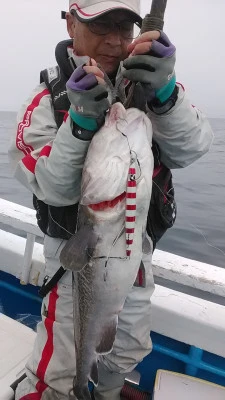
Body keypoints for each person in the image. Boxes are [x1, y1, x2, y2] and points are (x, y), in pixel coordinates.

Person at [8, 0, 213, 399]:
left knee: (128, 348)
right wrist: (79, 125)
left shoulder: (150, 83)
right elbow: (50, 187)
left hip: (137, 252)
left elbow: (192, 149)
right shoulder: (46, 100)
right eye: (101, 25)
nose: (115, 40)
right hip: (76, 258)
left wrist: (167, 96)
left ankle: (107, 391)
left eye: (124, 27)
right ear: (70, 25)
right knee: (63, 364)